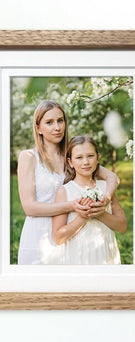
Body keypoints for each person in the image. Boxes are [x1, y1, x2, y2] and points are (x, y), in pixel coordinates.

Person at [16, 99, 119, 265]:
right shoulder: (29, 157)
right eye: (49, 122)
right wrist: (72, 206)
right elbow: (29, 207)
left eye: (60, 120)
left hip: (69, 238)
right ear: (38, 128)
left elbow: (113, 177)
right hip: (38, 237)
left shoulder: (72, 157)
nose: (57, 127)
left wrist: (106, 198)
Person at [52, 135, 127, 264]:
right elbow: (58, 237)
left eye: (90, 156)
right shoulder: (64, 191)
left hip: (106, 256)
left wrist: (100, 213)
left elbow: (122, 226)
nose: (85, 162)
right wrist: (83, 216)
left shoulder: (106, 188)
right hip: (79, 258)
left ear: (98, 158)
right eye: (79, 157)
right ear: (70, 162)